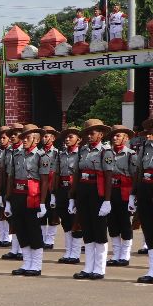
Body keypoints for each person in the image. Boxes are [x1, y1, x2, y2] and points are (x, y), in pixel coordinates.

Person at [73, 118, 112, 280]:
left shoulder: (105, 151)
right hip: (84, 191)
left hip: (98, 192)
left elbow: (108, 176)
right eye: (87, 133)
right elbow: (76, 173)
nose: (89, 136)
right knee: (87, 228)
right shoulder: (82, 150)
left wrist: (107, 200)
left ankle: (99, 268)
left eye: (92, 133)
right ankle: (88, 266)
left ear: (101, 134)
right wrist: (73, 197)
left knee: (99, 230)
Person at [6, 125, 46, 277]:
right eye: (23, 137)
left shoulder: (41, 156)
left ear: (36, 140)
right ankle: (26, 262)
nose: (23, 140)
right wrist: (8, 200)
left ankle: (36, 265)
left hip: (33, 197)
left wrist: (43, 203)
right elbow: (11, 177)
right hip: (18, 195)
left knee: (33, 230)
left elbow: (44, 181)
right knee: (21, 229)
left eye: (27, 137)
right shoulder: (16, 155)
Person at [104, 124, 137, 267]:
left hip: (124, 192)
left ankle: (125, 254)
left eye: (118, 135)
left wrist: (133, 196)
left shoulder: (131, 154)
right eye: (113, 135)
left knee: (124, 223)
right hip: (110, 191)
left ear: (126, 138)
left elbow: (135, 177)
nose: (115, 138)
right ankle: (116, 254)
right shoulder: (107, 153)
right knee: (112, 223)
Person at [54, 126, 84, 265]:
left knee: (76, 221)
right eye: (66, 137)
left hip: (76, 189)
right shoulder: (61, 154)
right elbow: (57, 174)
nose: (67, 139)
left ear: (79, 139)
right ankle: (68, 251)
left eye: (70, 137)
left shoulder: (81, 154)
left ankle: (76, 253)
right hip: (63, 189)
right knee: (65, 220)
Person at [135, 118, 153, 283]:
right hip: (146, 187)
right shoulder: (144, 147)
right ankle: (152, 269)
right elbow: (139, 170)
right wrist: (136, 192)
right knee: (148, 226)